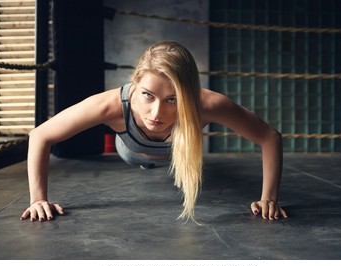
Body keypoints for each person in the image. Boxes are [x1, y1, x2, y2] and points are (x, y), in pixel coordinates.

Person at [20, 41, 288, 223]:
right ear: (135, 82)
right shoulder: (109, 106)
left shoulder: (207, 105)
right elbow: (40, 135)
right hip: (132, 152)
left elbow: (269, 136)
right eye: (148, 95)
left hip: (176, 152)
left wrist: (268, 199)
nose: (157, 113)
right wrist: (38, 200)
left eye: (173, 100)